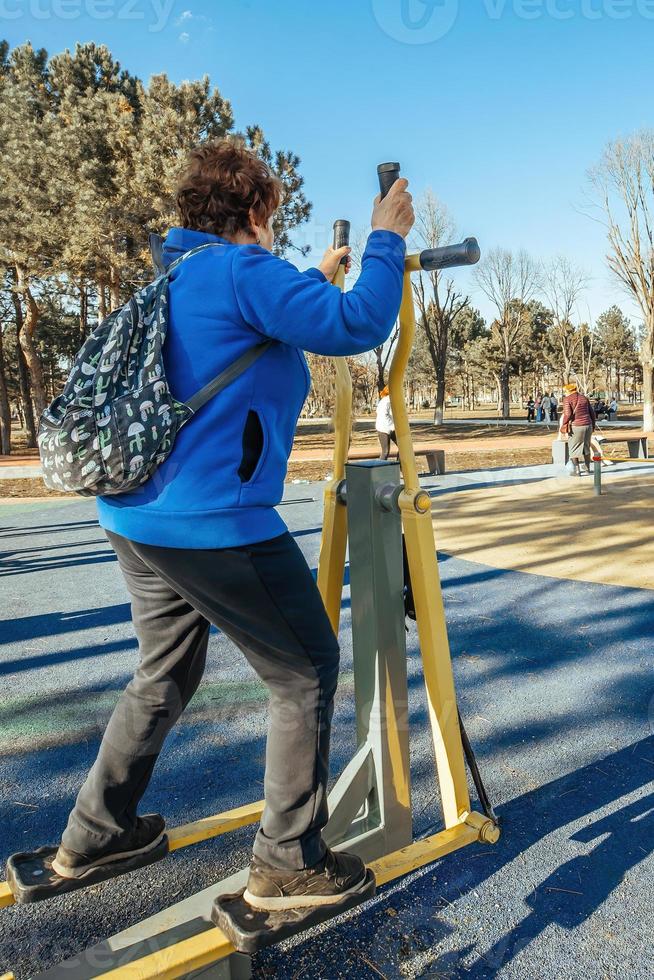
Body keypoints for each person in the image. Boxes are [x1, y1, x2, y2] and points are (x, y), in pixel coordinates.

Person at [43, 139, 415, 911]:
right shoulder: (244, 270)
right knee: (304, 669)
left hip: (136, 517)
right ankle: (286, 861)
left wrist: (311, 278)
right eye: (271, 216)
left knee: (164, 672)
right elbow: (358, 325)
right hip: (211, 521)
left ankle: (95, 834)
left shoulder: (184, 276)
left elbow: (260, 326)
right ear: (254, 212)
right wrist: (388, 236)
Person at [561, 382, 596, 476]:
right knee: (586, 447)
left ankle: (577, 471)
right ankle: (588, 469)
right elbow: (592, 413)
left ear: (568, 391)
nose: (564, 393)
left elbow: (567, 414)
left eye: (565, 391)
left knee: (573, 448)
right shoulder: (584, 398)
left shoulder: (567, 399)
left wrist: (563, 424)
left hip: (576, 426)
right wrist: (593, 425)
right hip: (588, 425)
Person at [376, 385, 397, 459]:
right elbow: (386, 415)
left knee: (403, 447)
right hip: (384, 428)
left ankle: (400, 466)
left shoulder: (385, 400)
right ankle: (380, 469)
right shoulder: (388, 401)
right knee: (385, 451)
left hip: (387, 427)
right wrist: (393, 426)